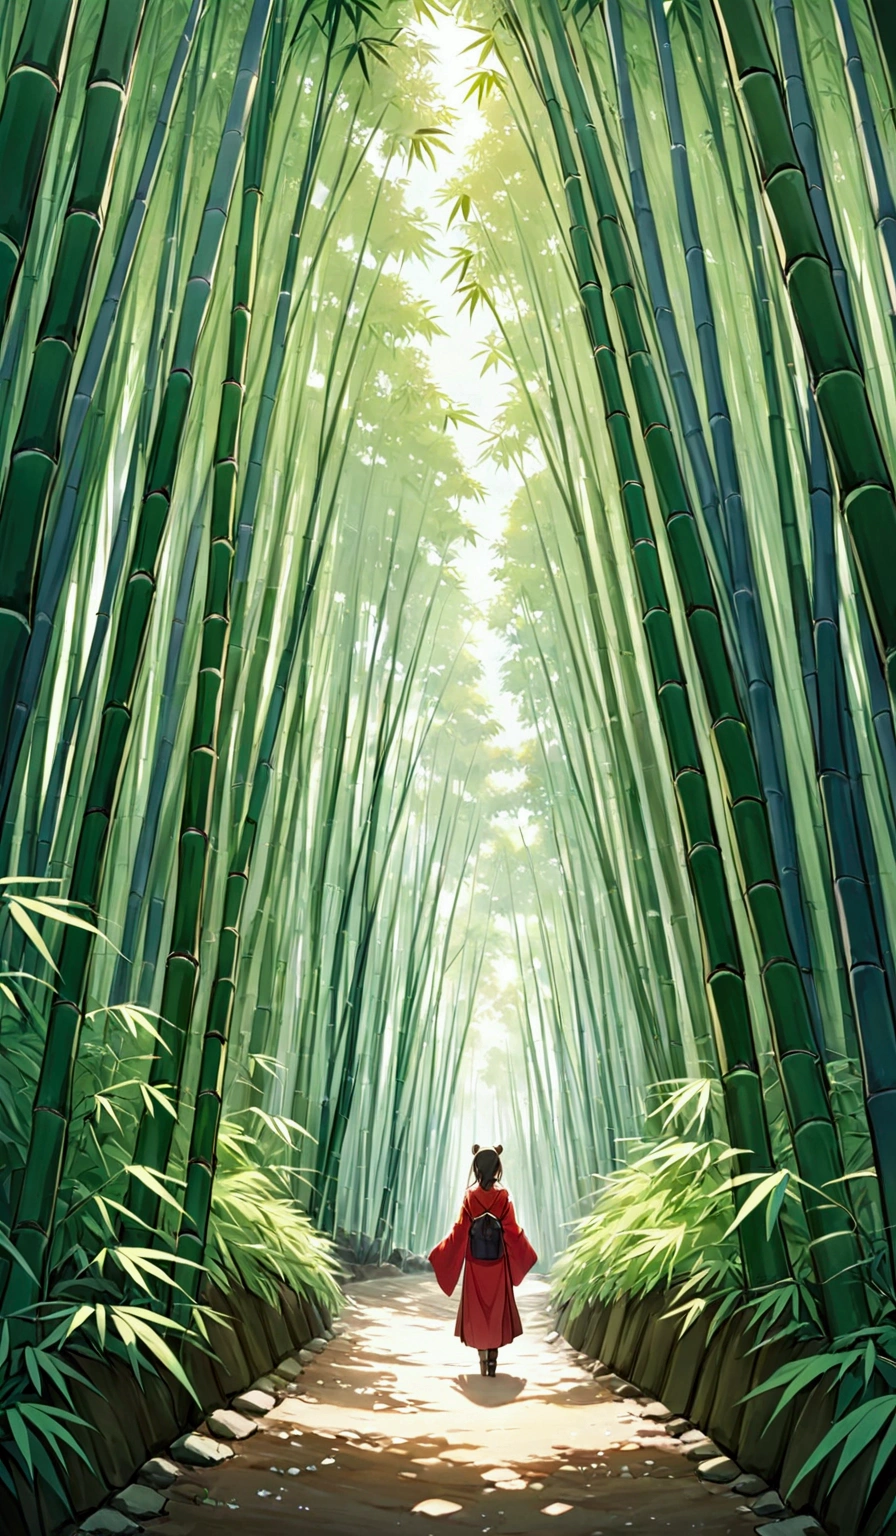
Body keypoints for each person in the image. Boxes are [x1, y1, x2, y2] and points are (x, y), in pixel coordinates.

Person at [428, 1143, 537, 1376]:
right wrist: (524, 1250)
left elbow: (460, 1230)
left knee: (478, 1311)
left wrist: (442, 1252)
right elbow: (511, 1229)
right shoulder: (503, 1196)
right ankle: (493, 1365)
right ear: (497, 1167)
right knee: (496, 1310)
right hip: (498, 1263)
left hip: (475, 1263)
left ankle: (481, 1363)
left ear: (477, 1167)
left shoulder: (470, 1197)